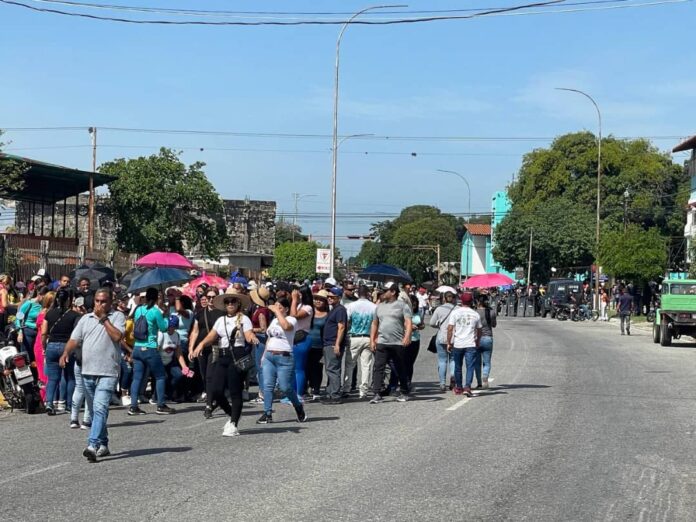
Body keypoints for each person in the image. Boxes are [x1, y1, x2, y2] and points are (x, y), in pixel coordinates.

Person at [59, 288, 125, 462]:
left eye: (103, 301)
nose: (99, 304)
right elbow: (75, 339)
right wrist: (66, 352)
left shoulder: (117, 317)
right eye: (97, 301)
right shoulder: (85, 319)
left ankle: (92, 445)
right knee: (97, 411)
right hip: (87, 371)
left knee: (100, 407)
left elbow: (117, 337)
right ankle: (104, 443)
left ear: (110, 302)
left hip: (108, 372)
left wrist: (104, 319)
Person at [192, 291, 259, 436]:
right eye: (227, 302)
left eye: (233, 301)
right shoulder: (220, 320)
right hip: (222, 355)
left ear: (238, 303)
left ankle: (234, 423)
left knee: (235, 391)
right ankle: (232, 413)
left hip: (237, 355)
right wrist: (201, 344)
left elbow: (248, 334)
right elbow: (212, 336)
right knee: (216, 390)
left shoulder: (244, 319)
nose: (230, 304)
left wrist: (252, 337)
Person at [257, 298, 307, 424]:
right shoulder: (274, 320)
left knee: (285, 387)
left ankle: (298, 406)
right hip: (269, 355)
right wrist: (264, 355)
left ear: (285, 309)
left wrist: (277, 312)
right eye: (276, 306)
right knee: (267, 386)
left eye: (280, 307)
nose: (276, 308)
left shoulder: (291, 319)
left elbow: (286, 327)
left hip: (284, 357)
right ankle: (267, 413)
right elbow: (269, 338)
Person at [128, 288, 174, 415]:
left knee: (137, 377)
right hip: (150, 347)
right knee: (160, 376)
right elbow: (164, 328)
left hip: (137, 347)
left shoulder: (139, 309)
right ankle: (160, 405)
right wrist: (165, 315)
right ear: (156, 298)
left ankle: (133, 406)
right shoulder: (155, 312)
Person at [369, 282, 412, 404]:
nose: (382, 293)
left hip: (398, 342)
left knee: (400, 367)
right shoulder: (379, 306)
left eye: (385, 290)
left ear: (393, 292)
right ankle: (376, 393)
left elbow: (408, 322)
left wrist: (407, 336)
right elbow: (374, 323)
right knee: (378, 367)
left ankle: (404, 391)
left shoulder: (402, 305)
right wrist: (372, 339)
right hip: (382, 342)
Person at [42, 288, 82, 416]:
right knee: (70, 376)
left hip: (52, 345)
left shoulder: (49, 313)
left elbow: (44, 333)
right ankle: (69, 404)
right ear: (69, 299)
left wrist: (44, 346)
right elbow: (77, 334)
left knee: (52, 378)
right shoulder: (74, 315)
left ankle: (49, 403)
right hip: (67, 346)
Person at [188, 289, 224, 414]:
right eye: (208, 297)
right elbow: (195, 331)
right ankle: (214, 398)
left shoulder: (221, 313)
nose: (210, 299)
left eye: (213, 297)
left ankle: (209, 404)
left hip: (216, 347)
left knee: (210, 376)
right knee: (204, 376)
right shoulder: (200, 313)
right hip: (201, 348)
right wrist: (191, 348)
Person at [343, 285, 376, 399]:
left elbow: (347, 322)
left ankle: (347, 388)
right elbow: (375, 323)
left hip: (354, 337)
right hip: (368, 337)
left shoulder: (351, 306)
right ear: (367, 293)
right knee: (366, 365)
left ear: (358, 293)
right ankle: (363, 390)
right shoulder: (373, 307)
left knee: (349, 364)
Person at [447, 292, 482, 397]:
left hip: (458, 343)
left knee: (458, 366)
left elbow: (450, 329)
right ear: (471, 301)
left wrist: (449, 342)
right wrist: (477, 340)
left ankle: (458, 387)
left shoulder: (455, 313)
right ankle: (467, 387)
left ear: (461, 301)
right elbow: (479, 330)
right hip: (470, 343)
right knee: (470, 366)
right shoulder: (475, 314)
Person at [321, 287, 348, 405]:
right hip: (328, 343)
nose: (330, 298)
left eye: (333, 297)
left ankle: (335, 395)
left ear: (339, 298)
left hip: (333, 343)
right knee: (330, 369)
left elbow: (341, 327)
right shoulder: (334, 309)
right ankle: (331, 392)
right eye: (329, 296)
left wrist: (337, 344)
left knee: (333, 369)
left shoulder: (340, 310)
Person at [430, 291, 457, 391]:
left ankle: (442, 383)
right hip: (454, 338)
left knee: (442, 360)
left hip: (441, 337)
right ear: (453, 298)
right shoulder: (457, 309)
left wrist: (439, 325)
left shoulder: (439, 309)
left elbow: (432, 323)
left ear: (444, 299)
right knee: (453, 359)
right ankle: (453, 376)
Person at [290, 286, 314, 400]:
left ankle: (299, 394)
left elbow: (294, 316)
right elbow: (290, 316)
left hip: (303, 338)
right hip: (295, 338)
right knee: (294, 367)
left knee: (299, 368)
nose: (297, 296)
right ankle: (293, 393)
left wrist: (294, 300)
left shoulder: (308, 307)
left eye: (299, 294)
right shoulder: (298, 305)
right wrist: (294, 302)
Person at [249, 285, 271, 405]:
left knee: (260, 367)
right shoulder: (260, 309)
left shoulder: (261, 311)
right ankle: (262, 392)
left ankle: (262, 393)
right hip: (259, 340)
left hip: (261, 340)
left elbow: (263, 328)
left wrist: (250, 329)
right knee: (260, 368)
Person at [306, 290, 329, 400]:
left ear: (325, 302)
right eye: (316, 299)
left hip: (319, 346)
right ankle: (306, 387)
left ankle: (316, 389)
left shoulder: (327, 315)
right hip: (306, 344)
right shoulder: (309, 311)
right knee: (306, 367)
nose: (318, 301)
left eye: (321, 300)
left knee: (317, 369)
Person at [475, 294, 497, 390]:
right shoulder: (491, 311)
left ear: (478, 301)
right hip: (488, 338)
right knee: (487, 362)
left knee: (477, 362)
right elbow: (494, 325)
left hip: (476, 339)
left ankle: (479, 382)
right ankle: (485, 379)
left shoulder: (474, 312)